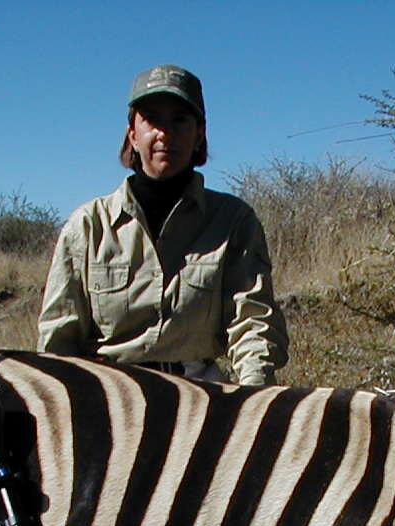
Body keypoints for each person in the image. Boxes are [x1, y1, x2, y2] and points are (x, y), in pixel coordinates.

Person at [38, 64, 287, 386]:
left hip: (201, 394)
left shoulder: (232, 219)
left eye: (180, 120)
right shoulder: (87, 225)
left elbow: (253, 322)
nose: (165, 133)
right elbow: (59, 339)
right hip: (110, 394)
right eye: (152, 119)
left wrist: (254, 399)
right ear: (133, 133)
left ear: (199, 133)